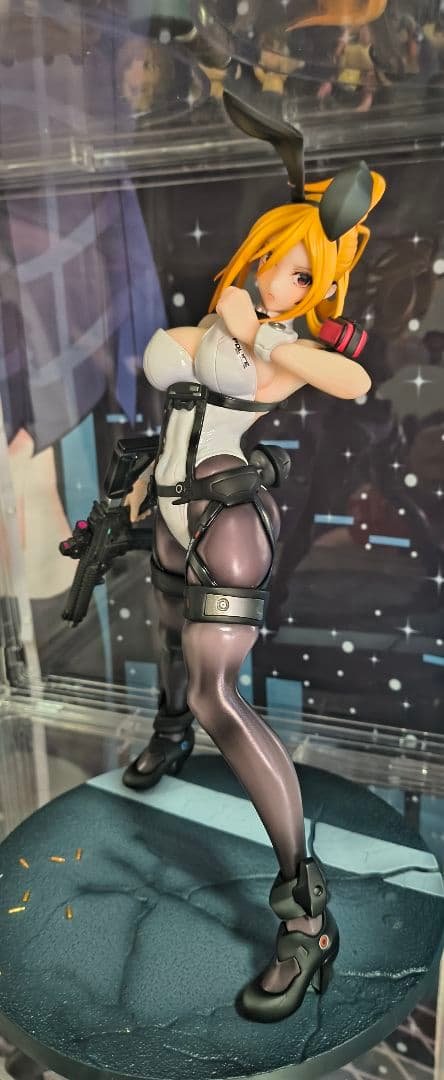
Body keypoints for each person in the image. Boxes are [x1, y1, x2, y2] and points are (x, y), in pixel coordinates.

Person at [120, 95, 385, 1021]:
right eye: (287, 263)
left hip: (226, 519)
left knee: (217, 695)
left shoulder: (283, 344)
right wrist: (141, 486)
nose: (291, 282)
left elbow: (356, 380)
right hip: (171, 505)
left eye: (309, 276)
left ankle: (307, 915)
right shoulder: (218, 315)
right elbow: (179, 408)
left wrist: (259, 330)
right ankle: (169, 734)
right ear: (262, 249)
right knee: (164, 628)